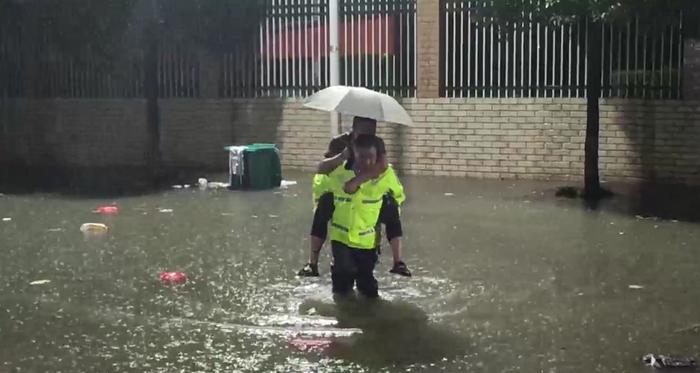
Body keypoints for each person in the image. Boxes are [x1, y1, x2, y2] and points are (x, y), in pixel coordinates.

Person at [298, 117, 410, 277]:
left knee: (390, 205)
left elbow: (382, 167)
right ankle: (312, 262)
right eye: (364, 131)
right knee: (324, 206)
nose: (368, 134)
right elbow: (324, 168)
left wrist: (358, 180)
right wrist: (343, 157)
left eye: (372, 131)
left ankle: (398, 261)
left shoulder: (377, 143)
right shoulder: (339, 142)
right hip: (339, 192)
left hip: (367, 193)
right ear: (354, 129)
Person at [322, 134, 406, 297]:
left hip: (367, 242)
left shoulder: (385, 176)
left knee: (367, 284)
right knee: (342, 281)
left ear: (377, 158)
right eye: (361, 157)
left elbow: (398, 196)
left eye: (370, 157)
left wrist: (387, 207)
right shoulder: (340, 172)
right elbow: (321, 171)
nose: (366, 162)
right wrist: (342, 156)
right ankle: (343, 315)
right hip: (341, 239)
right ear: (354, 155)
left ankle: (370, 315)